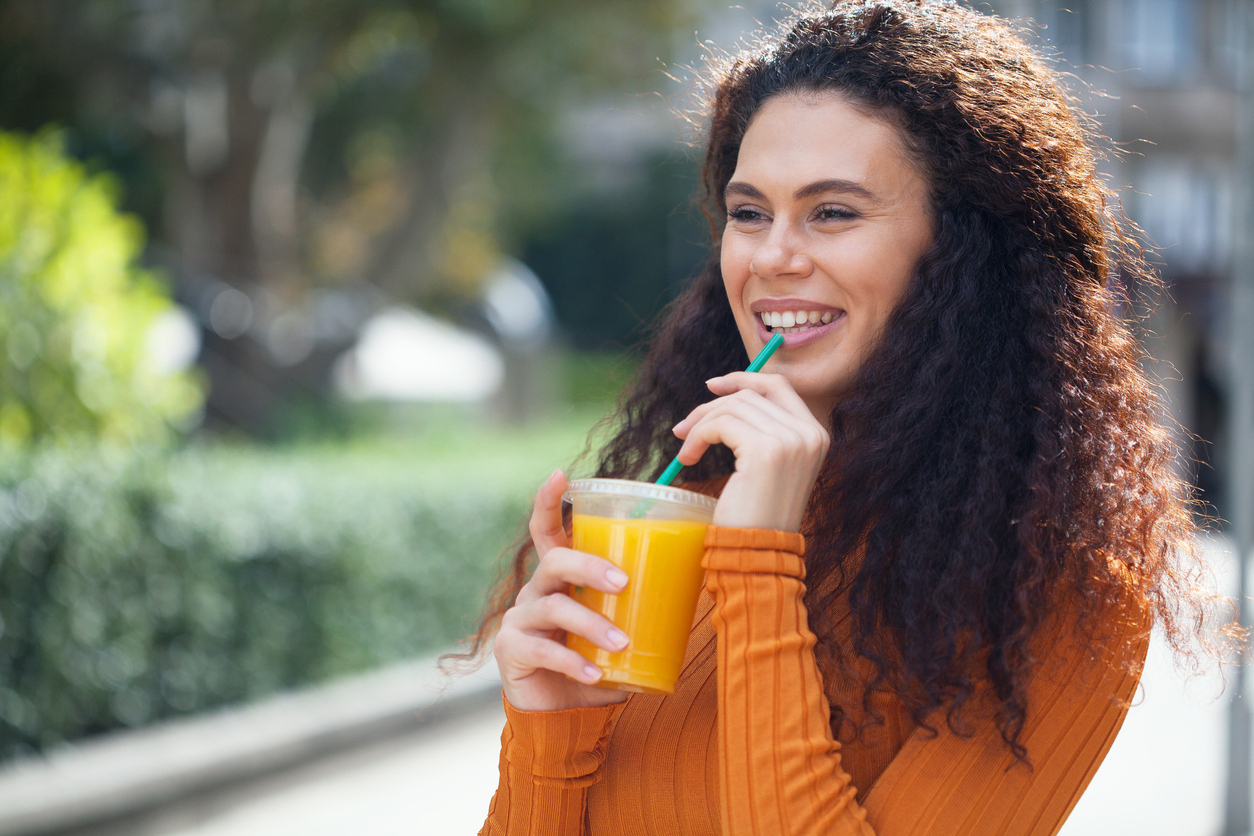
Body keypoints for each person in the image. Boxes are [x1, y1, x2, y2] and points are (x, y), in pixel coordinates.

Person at [465, 2, 1234, 833]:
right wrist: (552, 726)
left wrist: (761, 562)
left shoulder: (1056, 589)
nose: (772, 257)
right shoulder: (666, 529)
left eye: (833, 212)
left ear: (961, 251)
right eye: (749, 213)